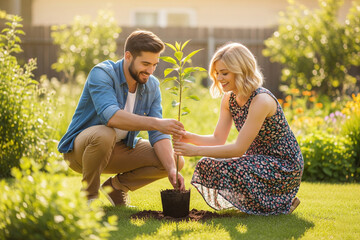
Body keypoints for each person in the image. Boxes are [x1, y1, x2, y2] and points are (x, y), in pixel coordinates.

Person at [173, 42, 303, 215]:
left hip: (283, 166)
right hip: (255, 161)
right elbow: (218, 139)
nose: (219, 78)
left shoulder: (261, 100)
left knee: (235, 167)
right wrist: (186, 136)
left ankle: (278, 204)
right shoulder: (229, 99)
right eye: (217, 73)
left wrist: (194, 150)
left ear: (241, 70)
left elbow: (238, 149)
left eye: (224, 73)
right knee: (207, 164)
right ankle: (272, 205)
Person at [58, 30, 185, 206]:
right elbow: (111, 116)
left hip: (119, 150)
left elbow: (158, 134)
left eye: (155, 64)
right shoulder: (102, 73)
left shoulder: (152, 85)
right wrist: (157, 123)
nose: (150, 70)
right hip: (81, 151)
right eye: (146, 63)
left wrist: (171, 169)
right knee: (105, 134)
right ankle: (88, 198)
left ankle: (116, 188)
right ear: (128, 56)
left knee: (174, 160)